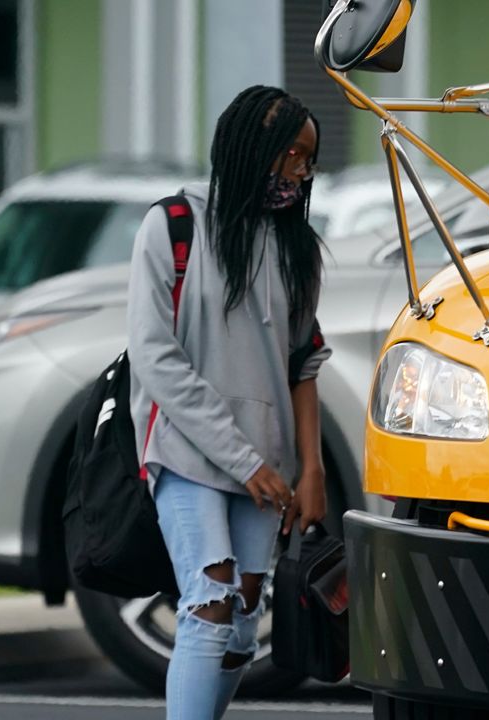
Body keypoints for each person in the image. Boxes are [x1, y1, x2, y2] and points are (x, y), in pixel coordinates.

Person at [126, 85, 331, 720]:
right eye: (292, 155)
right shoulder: (172, 227)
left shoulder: (297, 249)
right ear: (253, 148)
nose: (300, 172)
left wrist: (312, 469)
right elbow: (156, 358)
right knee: (209, 605)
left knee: (240, 628)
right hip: (187, 452)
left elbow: (303, 365)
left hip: (266, 470)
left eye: (308, 160)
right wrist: (243, 460)